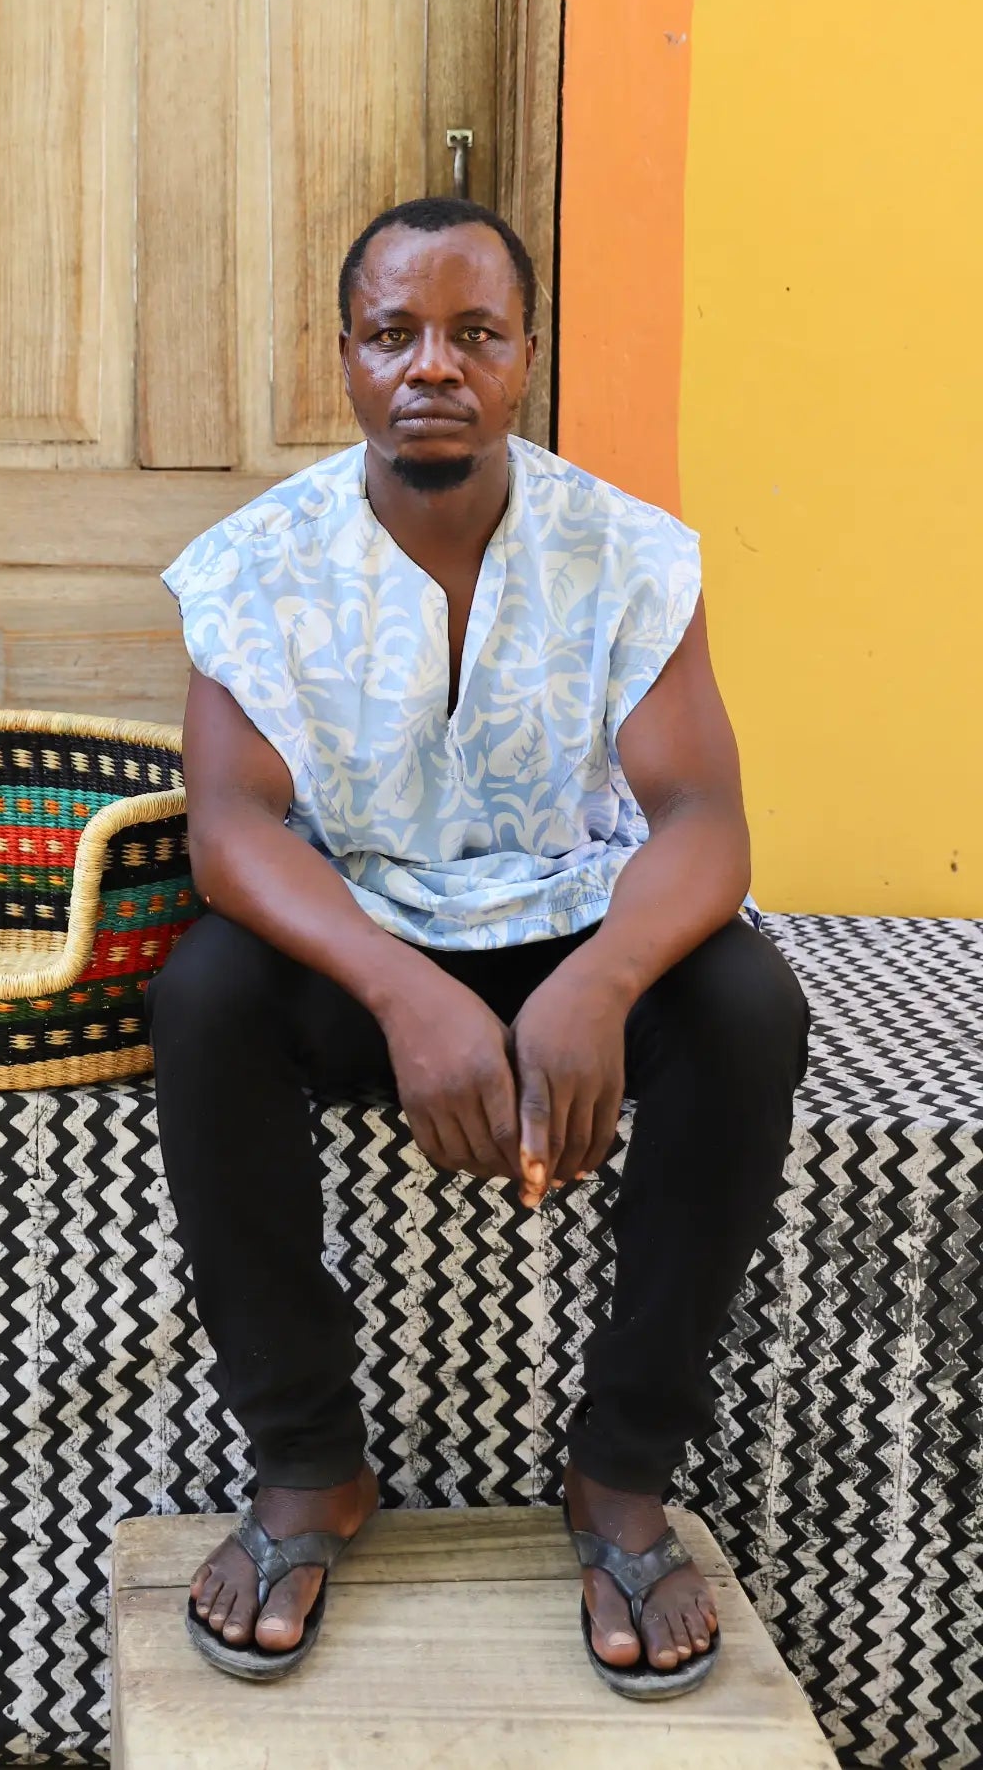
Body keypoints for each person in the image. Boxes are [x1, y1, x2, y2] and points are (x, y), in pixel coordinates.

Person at [147, 196, 808, 1699]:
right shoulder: (253, 567)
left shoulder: (626, 554)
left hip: (573, 925)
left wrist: (602, 981)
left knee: (747, 1003)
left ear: (525, 357)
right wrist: (403, 993)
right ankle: (308, 1464)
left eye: (474, 333)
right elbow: (232, 832)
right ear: (344, 357)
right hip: (361, 940)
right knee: (206, 993)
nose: (432, 365)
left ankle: (622, 1472)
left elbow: (703, 819)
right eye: (394, 334)